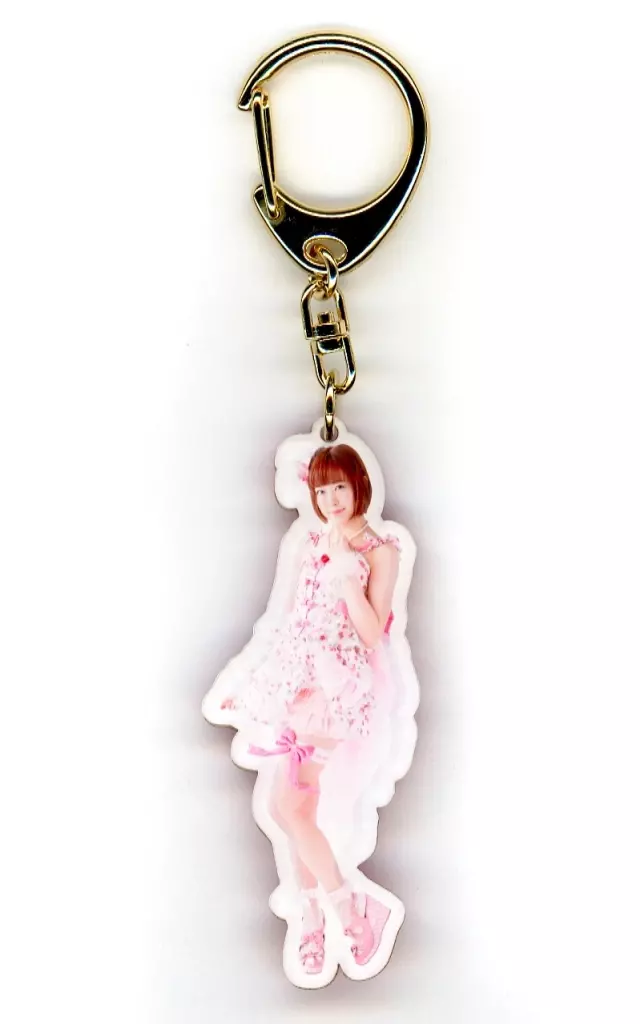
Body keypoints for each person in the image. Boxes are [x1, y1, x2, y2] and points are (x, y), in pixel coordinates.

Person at [216, 443, 401, 975]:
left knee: (290, 807)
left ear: (359, 484)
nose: (331, 499)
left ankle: (349, 914)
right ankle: (316, 920)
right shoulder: (314, 541)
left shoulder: (380, 550)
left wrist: (347, 579)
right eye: (322, 490)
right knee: (291, 809)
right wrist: (258, 685)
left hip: (337, 687)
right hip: (301, 683)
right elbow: (295, 623)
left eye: (340, 486)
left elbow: (372, 633)